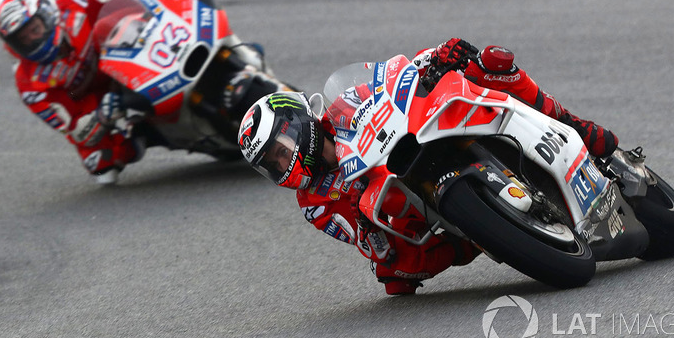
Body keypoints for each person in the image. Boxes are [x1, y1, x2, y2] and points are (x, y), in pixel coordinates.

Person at [238, 38, 618, 295]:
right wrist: (371, 235)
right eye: (271, 164)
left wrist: (435, 56)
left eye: (279, 150)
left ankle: (574, 124)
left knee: (486, 64)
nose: (281, 164)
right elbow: (364, 241)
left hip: (418, 135)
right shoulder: (314, 202)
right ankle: (477, 233)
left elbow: (392, 79)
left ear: (298, 123)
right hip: (419, 216)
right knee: (393, 278)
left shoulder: (344, 103)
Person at [0, 0, 212, 184]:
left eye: (35, 29)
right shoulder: (29, 84)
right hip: (96, 101)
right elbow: (72, 128)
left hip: (125, 58)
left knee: (115, 19)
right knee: (100, 165)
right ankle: (149, 132)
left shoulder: (75, 4)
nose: (33, 40)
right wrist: (101, 117)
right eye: (23, 39)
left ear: (48, 15)